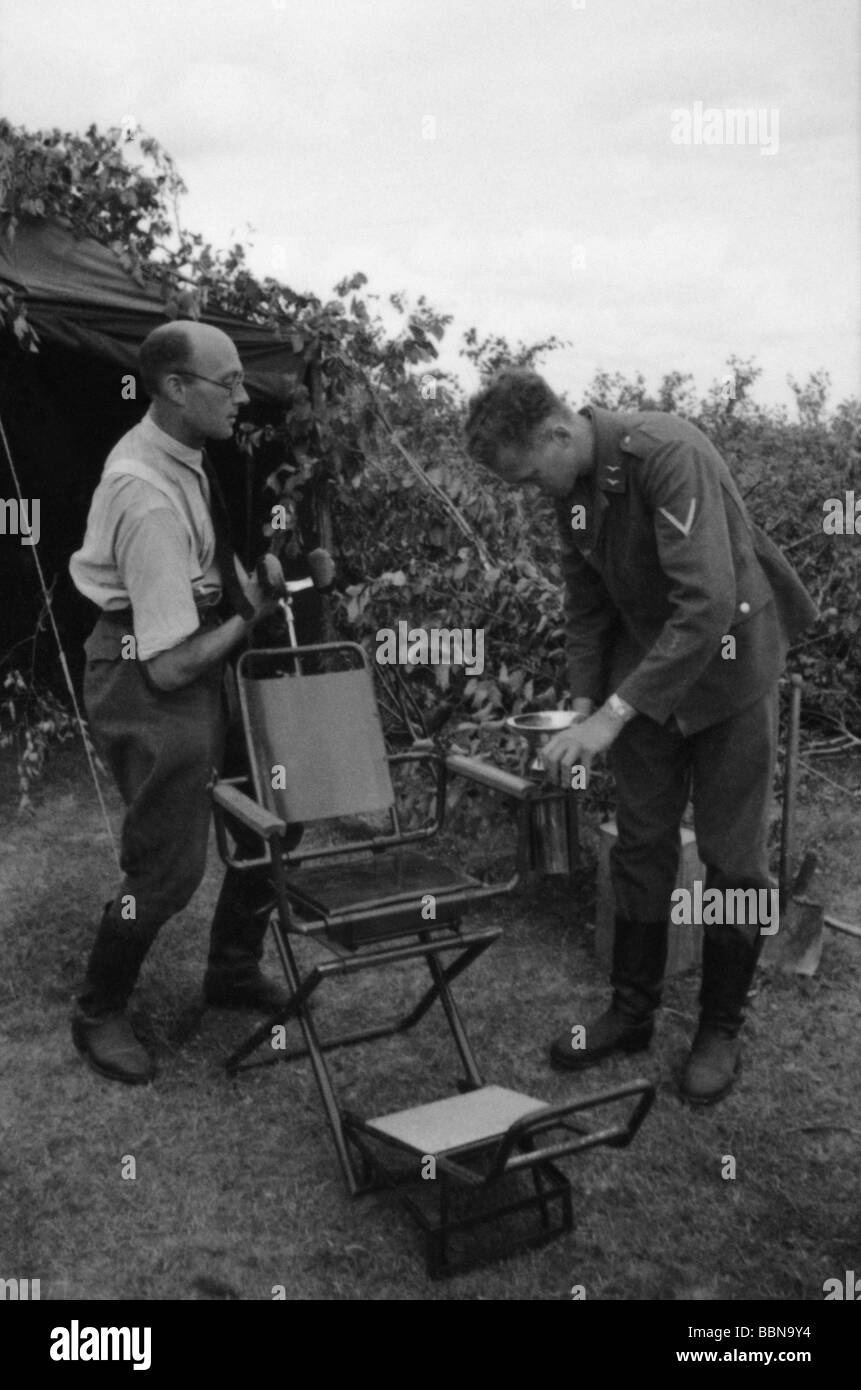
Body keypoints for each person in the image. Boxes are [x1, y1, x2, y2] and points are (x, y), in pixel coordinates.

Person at [464, 369, 818, 1105]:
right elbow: (586, 607)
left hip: (725, 680)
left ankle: (718, 1028)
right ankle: (629, 1011)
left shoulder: (665, 453)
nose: (533, 491)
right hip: (642, 686)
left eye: (529, 473)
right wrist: (583, 708)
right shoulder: (572, 493)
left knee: (732, 860)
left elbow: (706, 606)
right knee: (640, 843)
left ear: (558, 432)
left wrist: (610, 718)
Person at [69, 321, 291, 1086]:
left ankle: (231, 970)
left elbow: (208, 558)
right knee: (167, 868)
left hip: (187, 640)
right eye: (226, 383)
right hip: (146, 663)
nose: (241, 395)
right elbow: (164, 671)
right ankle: (100, 1009)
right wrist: (248, 615)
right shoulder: (146, 497)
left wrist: (244, 583)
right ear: (174, 387)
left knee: (271, 800)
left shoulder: (184, 454)